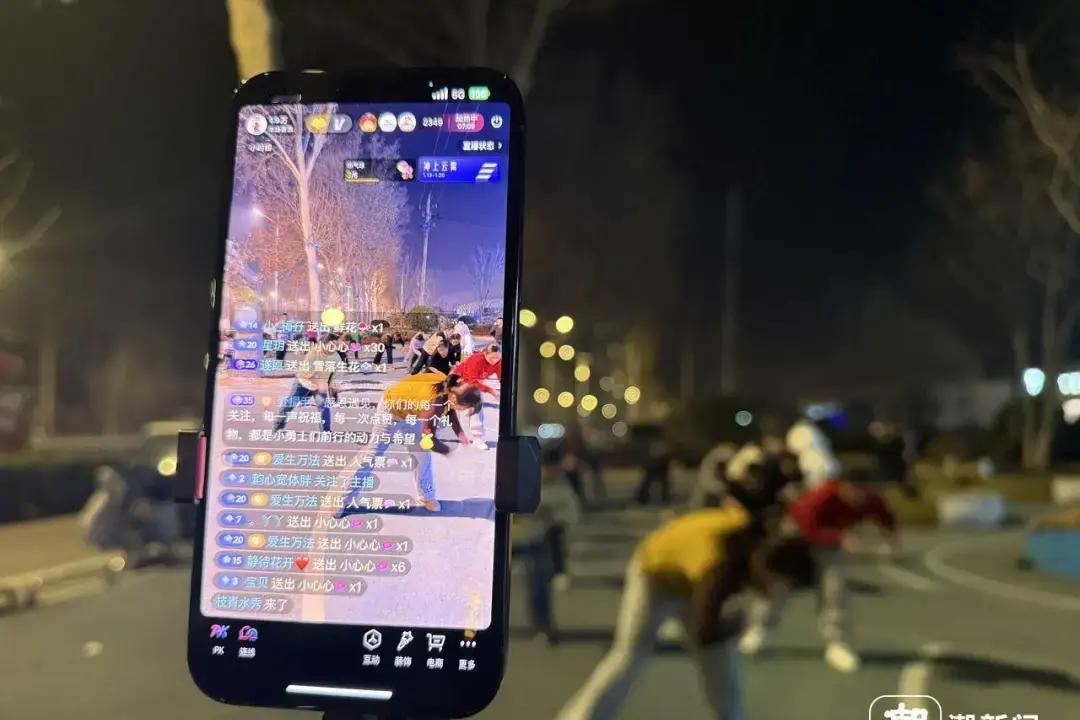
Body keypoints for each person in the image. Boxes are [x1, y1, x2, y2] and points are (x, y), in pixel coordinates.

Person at [555, 502, 817, 720]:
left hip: (691, 576)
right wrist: (733, 625)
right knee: (630, 655)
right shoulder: (719, 567)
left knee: (721, 661)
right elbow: (704, 631)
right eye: (781, 584)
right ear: (766, 566)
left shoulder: (758, 539)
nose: (780, 592)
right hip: (655, 575)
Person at [738, 469, 898, 673]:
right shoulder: (821, 495)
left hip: (831, 545)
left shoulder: (872, 500)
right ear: (842, 486)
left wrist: (890, 537)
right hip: (795, 539)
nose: (858, 497)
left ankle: (837, 642)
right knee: (778, 586)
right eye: (854, 490)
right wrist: (838, 538)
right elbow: (806, 527)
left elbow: (886, 518)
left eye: (864, 491)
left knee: (835, 588)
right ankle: (760, 630)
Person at [340, 371, 482, 513]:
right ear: (454, 398)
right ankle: (342, 499)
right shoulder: (433, 404)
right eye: (465, 408)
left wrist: (460, 434)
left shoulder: (450, 386)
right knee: (373, 453)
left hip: (413, 411)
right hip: (391, 409)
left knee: (422, 455)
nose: (464, 411)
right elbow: (430, 438)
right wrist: (447, 450)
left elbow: (450, 411)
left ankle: (426, 496)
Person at [511, 450, 582, 642]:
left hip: (537, 538)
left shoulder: (561, 490)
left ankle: (543, 625)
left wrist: (552, 519)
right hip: (509, 539)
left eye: (551, 470)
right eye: (544, 469)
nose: (547, 474)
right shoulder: (520, 481)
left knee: (539, 582)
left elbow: (570, 516)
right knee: (490, 584)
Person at [273, 332, 342, 432]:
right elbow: (309, 372)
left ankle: (326, 431)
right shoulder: (314, 352)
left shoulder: (336, 358)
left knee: (324, 405)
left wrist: (334, 389)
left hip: (319, 385)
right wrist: (320, 383)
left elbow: (335, 376)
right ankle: (278, 425)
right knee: (290, 403)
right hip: (303, 381)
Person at [449, 343, 501, 441]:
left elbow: (502, 377)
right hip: (459, 381)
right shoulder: (475, 360)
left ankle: (478, 437)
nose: (495, 360)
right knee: (476, 401)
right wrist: (491, 391)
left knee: (476, 403)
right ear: (485, 354)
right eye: (492, 358)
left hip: (472, 384)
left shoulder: (498, 362)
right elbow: (472, 381)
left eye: (497, 357)